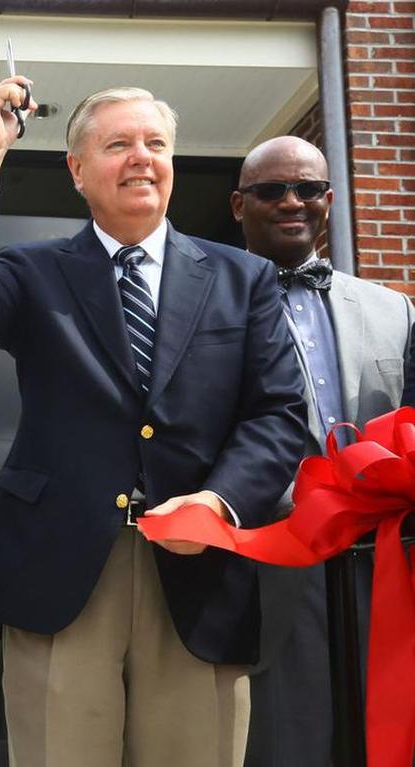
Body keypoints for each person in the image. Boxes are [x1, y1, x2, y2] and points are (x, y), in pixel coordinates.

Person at [0, 82, 307, 767]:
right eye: (118, 143)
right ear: (76, 170)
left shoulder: (243, 279)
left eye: (156, 144)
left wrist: (219, 500)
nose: (141, 158)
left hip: (197, 576)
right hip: (61, 572)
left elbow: (277, 414)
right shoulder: (33, 271)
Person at [233, 136, 413, 767]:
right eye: (271, 190)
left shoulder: (394, 311)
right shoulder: (206, 302)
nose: (292, 202)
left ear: (329, 200)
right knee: (287, 739)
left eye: (308, 189)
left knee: (383, 735)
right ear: (238, 205)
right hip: (270, 554)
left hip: (383, 563)